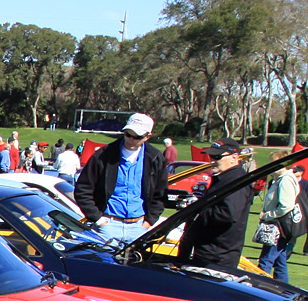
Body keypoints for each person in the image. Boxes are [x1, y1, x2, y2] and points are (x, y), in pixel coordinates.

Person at [75, 112, 167, 243]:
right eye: (128, 134)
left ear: (148, 137)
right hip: (108, 226)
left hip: (138, 227)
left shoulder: (155, 158)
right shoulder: (103, 155)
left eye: (137, 137)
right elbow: (83, 189)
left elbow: (160, 194)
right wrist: (99, 220)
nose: (131, 139)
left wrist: (148, 222)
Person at [180, 143, 255, 269]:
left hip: (218, 255)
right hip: (208, 249)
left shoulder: (237, 181)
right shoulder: (223, 178)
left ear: (234, 157)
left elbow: (228, 214)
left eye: (217, 157)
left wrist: (198, 210)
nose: (213, 161)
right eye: (211, 157)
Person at [257, 152, 302, 283]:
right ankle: (285, 290)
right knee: (280, 261)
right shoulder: (279, 179)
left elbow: (286, 206)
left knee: (266, 260)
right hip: (278, 226)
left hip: (278, 227)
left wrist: (268, 215)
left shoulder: (285, 180)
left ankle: (258, 287)